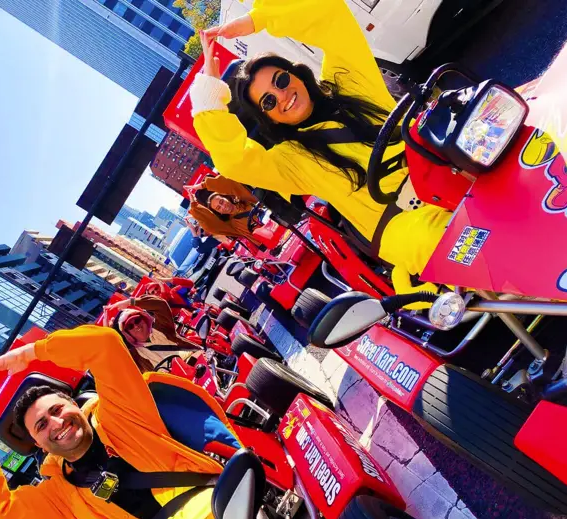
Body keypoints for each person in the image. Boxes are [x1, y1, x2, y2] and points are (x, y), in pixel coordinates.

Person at [190, 0, 452, 297]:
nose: (282, 95)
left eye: (281, 80)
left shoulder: (348, 82)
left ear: (296, 73)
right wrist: (209, 92)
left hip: (447, 170)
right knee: (470, 246)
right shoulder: (291, 159)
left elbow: (331, 16)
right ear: (268, 118)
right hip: (411, 225)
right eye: (268, 101)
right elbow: (234, 160)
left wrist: (259, 19)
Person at [0, 325, 236, 519]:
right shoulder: (60, 500)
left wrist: (32, 352)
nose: (56, 423)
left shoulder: (122, 414)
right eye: (41, 425)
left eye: (57, 409)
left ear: (75, 405)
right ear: (39, 444)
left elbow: (105, 345)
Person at [105, 295, 202, 372]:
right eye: (130, 326)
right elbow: (114, 358)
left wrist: (131, 302)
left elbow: (161, 305)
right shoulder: (135, 355)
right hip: (178, 385)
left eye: (137, 320)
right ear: (127, 334)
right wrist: (108, 335)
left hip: (195, 365)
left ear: (144, 318)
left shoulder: (161, 328)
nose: (136, 326)